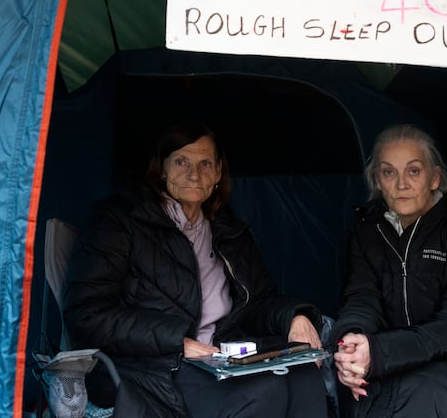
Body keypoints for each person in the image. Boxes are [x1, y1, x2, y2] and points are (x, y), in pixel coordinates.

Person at [62, 121, 330, 418]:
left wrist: (295, 316)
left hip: (221, 358)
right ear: (161, 169)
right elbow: (86, 314)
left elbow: (259, 302)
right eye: (181, 162)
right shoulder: (120, 221)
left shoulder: (227, 230)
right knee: (264, 392)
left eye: (205, 164)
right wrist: (178, 341)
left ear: (217, 174)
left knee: (305, 377)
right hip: (152, 366)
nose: (193, 173)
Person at [330, 124, 447, 418]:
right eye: (388, 172)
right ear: (377, 181)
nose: (401, 184)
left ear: (434, 179)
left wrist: (381, 352)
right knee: (357, 385)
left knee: (425, 388)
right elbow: (361, 296)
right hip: (402, 354)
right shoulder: (367, 230)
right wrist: (352, 345)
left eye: (414, 171)